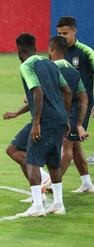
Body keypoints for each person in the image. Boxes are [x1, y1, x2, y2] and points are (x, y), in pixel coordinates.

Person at [15, 33, 72, 217]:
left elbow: (37, 91)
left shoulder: (26, 66)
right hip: (59, 119)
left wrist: (37, 122)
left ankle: (38, 206)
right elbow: (67, 91)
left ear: (20, 50)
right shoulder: (50, 64)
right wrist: (66, 117)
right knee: (54, 163)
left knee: (32, 161)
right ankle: (58, 204)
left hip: (45, 121)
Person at [57, 16, 94, 192]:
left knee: (67, 143)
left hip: (81, 105)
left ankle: (51, 184)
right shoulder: (59, 51)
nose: (62, 36)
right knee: (75, 143)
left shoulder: (86, 52)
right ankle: (87, 183)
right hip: (64, 105)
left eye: (65, 33)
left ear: (74, 31)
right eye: (59, 33)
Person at [48, 35, 90, 182]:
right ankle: (87, 183)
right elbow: (84, 97)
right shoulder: (73, 71)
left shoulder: (50, 68)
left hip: (58, 114)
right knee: (74, 146)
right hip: (72, 113)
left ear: (51, 49)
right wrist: (79, 123)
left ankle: (52, 184)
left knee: (66, 148)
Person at [3, 100, 50, 203]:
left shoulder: (35, 83)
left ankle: (43, 178)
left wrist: (36, 122)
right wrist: (16, 113)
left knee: (12, 150)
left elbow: (38, 98)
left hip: (40, 123)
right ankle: (38, 193)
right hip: (44, 121)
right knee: (19, 152)